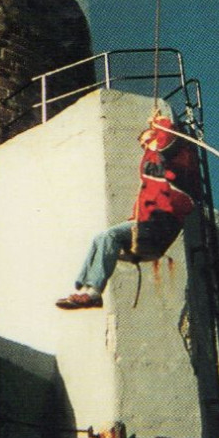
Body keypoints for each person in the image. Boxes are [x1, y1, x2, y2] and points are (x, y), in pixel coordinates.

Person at [55, 111, 199, 310]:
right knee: (101, 238)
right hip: (152, 224)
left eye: (147, 140)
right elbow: (145, 203)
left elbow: (166, 137)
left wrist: (158, 123)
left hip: (161, 222)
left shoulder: (172, 156)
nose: (144, 145)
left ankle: (94, 293)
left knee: (108, 237)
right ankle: (85, 288)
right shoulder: (152, 168)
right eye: (143, 144)